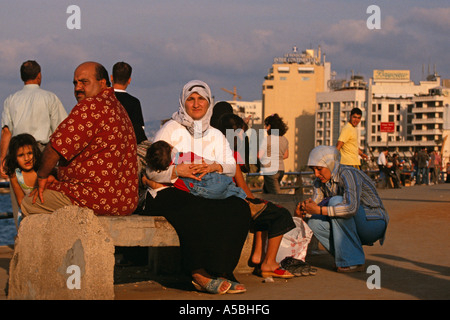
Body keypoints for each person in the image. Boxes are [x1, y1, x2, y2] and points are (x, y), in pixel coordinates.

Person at [142, 80, 251, 294]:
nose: (196, 103)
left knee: (239, 208)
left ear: (209, 102)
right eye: (190, 99)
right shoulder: (170, 129)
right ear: (183, 102)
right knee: (196, 209)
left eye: (201, 98)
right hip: (168, 190)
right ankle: (198, 272)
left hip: (205, 190)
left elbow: (230, 166)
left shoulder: (215, 135)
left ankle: (221, 270)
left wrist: (214, 166)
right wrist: (177, 171)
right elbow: (152, 172)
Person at [20, 61, 139, 217]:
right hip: (125, 201)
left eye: (84, 82)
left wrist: (41, 177)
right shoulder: (117, 107)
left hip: (96, 198)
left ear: (102, 83)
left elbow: (55, 147)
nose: (77, 88)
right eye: (75, 83)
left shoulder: (91, 106)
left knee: (30, 203)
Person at [217, 113, 314, 278]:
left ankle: (257, 255)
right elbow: (243, 187)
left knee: (265, 206)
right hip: (239, 199)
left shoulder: (216, 150)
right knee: (279, 213)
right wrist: (256, 201)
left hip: (250, 184)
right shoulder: (232, 155)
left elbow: (257, 158)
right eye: (240, 132)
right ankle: (269, 262)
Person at [296, 146, 389, 272]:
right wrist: (304, 211)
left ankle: (353, 260)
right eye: (313, 170)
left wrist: (318, 210)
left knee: (335, 202)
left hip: (373, 222)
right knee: (314, 222)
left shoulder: (348, 174)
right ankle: (347, 258)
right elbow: (315, 206)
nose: (316, 174)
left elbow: (351, 208)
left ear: (330, 164)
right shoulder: (319, 182)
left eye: (319, 169)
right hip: (352, 222)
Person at [0, 60, 67, 228]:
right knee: (45, 196)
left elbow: (6, 132)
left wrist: (2, 159)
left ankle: (22, 234)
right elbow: (61, 130)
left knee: (19, 201)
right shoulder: (50, 97)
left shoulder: (11, 99)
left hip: (17, 154)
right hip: (43, 153)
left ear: (22, 77)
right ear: (39, 76)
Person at [144, 140, 266, 217]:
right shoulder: (187, 157)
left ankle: (249, 206)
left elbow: (151, 173)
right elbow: (205, 162)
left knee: (229, 193)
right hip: (216, 182)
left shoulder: (169, 176)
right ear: (171, 148)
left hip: (204, 195)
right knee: (232, 190)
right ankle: (250, 205)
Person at [111, 62, 147, 144]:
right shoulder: (134, 102)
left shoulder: (103, 99)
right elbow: (139, 130)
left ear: (111, 78)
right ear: (129, 80)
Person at [258, 113, 289, 194]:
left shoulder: (267, 139)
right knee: (267, 194)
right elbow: (286, 155)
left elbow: (259, 155)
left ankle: (285, 206)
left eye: (266, 126)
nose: (265, 128)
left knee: (276, 196)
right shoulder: (284, 139)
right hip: (281, 170)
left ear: (270, 126)